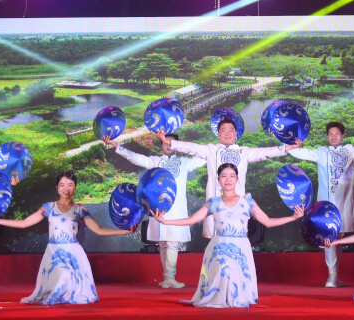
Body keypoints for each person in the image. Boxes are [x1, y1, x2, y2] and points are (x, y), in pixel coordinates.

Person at [150, 163, 304, 308]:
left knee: (236, 282)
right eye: (224, 176)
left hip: (241, 248)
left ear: (237, 179)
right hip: (218, 247)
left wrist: (293, 217)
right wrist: (165, 221)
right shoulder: (213, 202)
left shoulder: (247, 201)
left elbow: (268, 222)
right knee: (223, 274)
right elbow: (192, 220)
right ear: (218, 180)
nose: (228, 179)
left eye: (232, 175)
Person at [0, 171, 136, 305]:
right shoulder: (49, 207)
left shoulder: (80, 210)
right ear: (57, 187)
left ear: (75, 187)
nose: (66, 189)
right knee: (63, 275)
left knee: (72, 287)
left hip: (73, 253)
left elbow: (99, 230)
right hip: (54, 252)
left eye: (70, 185)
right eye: (62, 185)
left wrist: (125, 232)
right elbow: (24, 223)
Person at [155, 117, 300, 239]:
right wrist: (169, 142)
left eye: (231, 130)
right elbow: (190, 147)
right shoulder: (210, 149)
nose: (227, 133)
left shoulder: (244, 152)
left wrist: (287, 148)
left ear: (236, 134)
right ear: (218, 134)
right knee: (215, 243)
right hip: (216, 204)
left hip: (238, 206)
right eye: (223, 130)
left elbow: (266, 152)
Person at [103, 133, 206, 288]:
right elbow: (136, 158)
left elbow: (204, 157)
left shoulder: (184, 162)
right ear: (161, 145)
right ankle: (167, 277)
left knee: (172, 243)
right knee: (163, 243)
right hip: (157, 209)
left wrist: (217, 146)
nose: (169, 145)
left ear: (179, 146)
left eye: (173, 143)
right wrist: (118, 147)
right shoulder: (155, 161)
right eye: (165, 143)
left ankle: (169, 277)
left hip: (176, 210)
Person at [287, 121, 354, 288]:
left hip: (345, 202)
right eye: (331, 134)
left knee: (339, 239)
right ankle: (332, 276)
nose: (334, 136)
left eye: (337, 134)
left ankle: (335, 276)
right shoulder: (321, 153)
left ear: (343, 136)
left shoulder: (350, 151)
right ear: (327, 137)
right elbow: (301, 153)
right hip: (326, 205)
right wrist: (291, 146)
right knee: (329, 238)